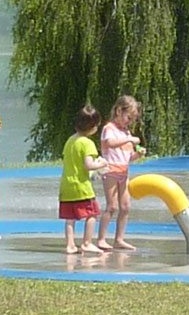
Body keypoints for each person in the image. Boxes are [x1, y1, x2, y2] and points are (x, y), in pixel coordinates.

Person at [96, 95, 146, 251]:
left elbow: (127, 157)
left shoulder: (126, 132)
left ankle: (119, 238)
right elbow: (110, 143)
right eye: (128, 117)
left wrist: (138, 155)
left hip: (123, 172)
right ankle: (102, 239)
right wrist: (129, 140)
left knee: (125, 207)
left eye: (132, 119)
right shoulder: (108, 129)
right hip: (110, 170)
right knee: (111, 206)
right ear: (118, 111)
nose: (129, 121)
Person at [61, 103, 110, 254]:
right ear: (94, 126)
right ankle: (87, 242)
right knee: (92, 214)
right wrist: (100, 163)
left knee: (70, 217)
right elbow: (88, 165)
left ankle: (70, 245)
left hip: (66, 186)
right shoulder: (87, 143)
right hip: (81, 186)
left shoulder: (70, 141)